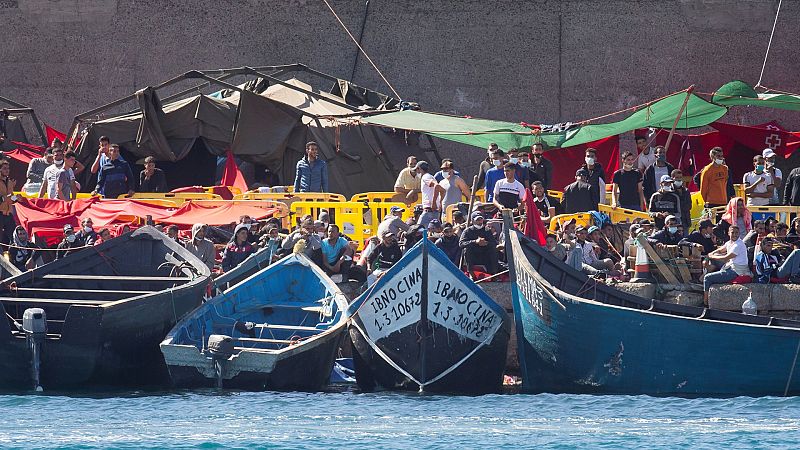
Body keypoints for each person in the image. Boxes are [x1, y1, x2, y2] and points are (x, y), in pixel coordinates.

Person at [703, 225, 750, 304]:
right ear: (728, 233)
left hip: (736, 271)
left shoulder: (738, 245)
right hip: (730, 266)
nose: (734, 235)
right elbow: (720, 250)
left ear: (739, 234)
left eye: (736, 233)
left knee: (707, 278)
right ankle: (706, 273)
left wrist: (711, 256)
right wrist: (709, 255)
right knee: (714, 260)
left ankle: (705, 302)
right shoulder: (729, 243)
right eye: (732, 233)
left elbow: (725, 258)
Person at [416, 161, 442, 227]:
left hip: (429, 210)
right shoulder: (431, 176)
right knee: (431, 231)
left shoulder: (425, 177)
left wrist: (434, 202)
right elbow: (443, 190)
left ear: (419, 169)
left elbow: (437, 186)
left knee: (417, 230)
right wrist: (439, 204)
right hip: (434, 211)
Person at [0, 160, 16, 245]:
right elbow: (4, 198)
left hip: (8, 214)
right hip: (0, 213)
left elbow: (11, 198)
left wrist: (17, 198)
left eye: (8, 168)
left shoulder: (10, 182)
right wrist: (4, 198)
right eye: (4, 168)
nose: (7, 170)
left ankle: (14, 252)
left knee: (14, 237)